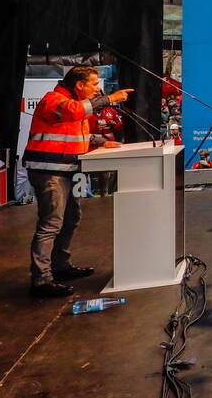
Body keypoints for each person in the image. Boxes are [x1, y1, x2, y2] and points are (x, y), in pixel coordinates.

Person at [21, 66, 131, 297]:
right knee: (51, 223)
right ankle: (41, 280)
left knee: (71, 218)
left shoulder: (72, 103)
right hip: (49, 171)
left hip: (65, 169)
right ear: (79, 85)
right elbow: (71, 113)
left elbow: (77, 133)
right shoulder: (55, 100)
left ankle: (60, 266)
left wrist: (101, 141)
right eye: (93, 84)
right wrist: (109, 98)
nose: (96, 89)